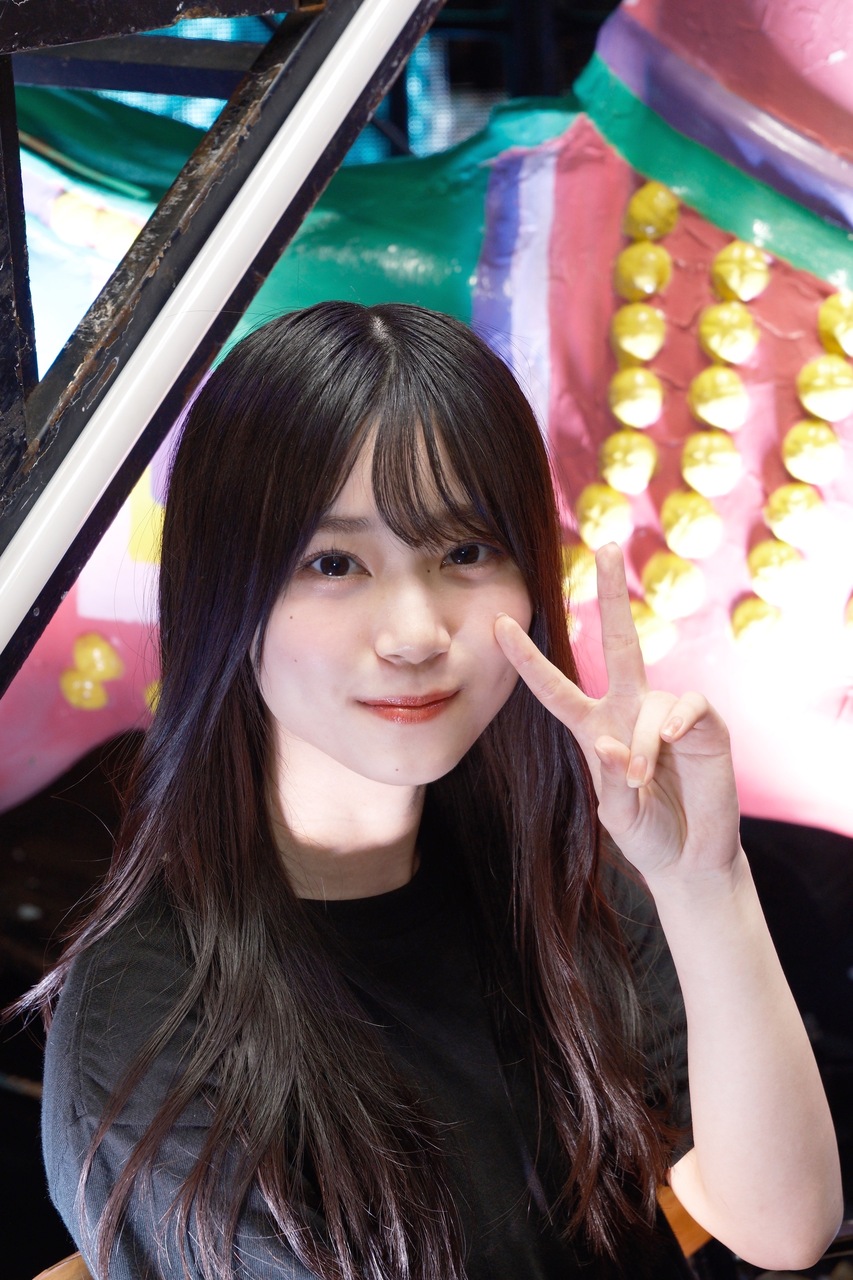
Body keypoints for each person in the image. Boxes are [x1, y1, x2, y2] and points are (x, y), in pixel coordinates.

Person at [32, 302, 841, 1280]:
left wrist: (704, 882)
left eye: (464, 552)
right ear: (224, 592)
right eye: (334, 563)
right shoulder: (151, 1013)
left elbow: (782, 1225)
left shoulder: (552, 874)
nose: (415, 632)